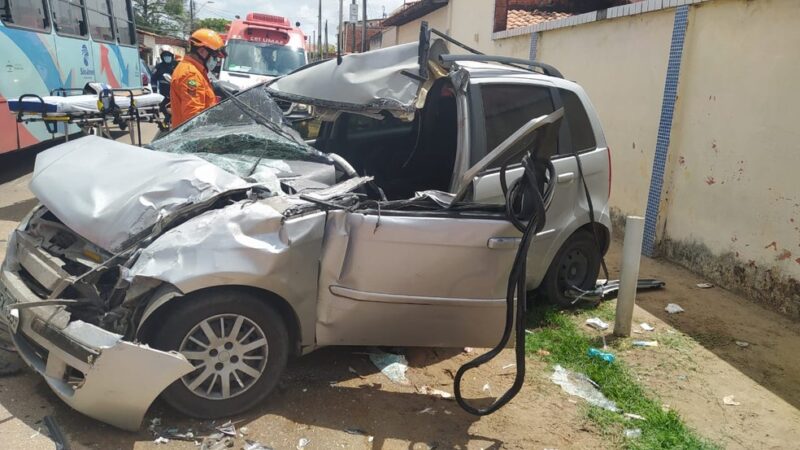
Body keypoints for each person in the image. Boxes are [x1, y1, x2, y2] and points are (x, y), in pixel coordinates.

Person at [170, 29, 226, 128]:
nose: (216, 61)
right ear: (202, 51)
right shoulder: (191, 75)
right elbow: (193, 116)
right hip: (191, 137)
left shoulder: (194, 70)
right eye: (214, 56)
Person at [150, 46, 178, 125]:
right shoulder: (158, 67)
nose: (167, 57)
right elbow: (153, 79)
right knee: (163, 108)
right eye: (165, 55)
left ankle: (169, 122)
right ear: (162, 57)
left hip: (176, 93)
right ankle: (167, 121)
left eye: (168, 55)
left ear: (172, 56)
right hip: (163, 93)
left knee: (176, 109)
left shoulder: (177, 65)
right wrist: (154, 91)